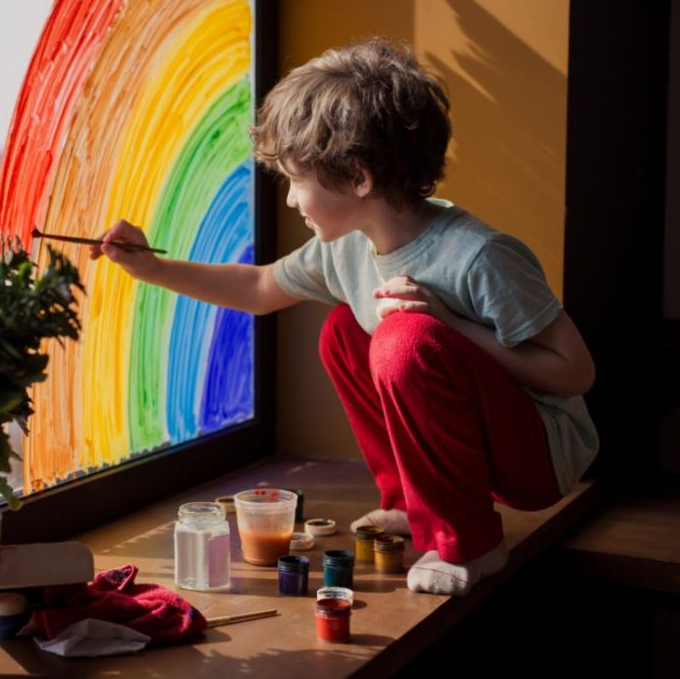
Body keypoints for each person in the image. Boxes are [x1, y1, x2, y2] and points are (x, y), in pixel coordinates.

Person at [89, 36, 599, 597]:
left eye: (295, 180)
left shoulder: (478, 256)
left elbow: (575, 372)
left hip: (541, 457)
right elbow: (260, 287)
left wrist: (453, 328)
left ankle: (470, 543)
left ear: (358, 178)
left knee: (402, 341)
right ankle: (411, 506)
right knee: (343, 332)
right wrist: (149, 268)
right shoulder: (347, 248)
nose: (289, 201)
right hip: (473, 441)